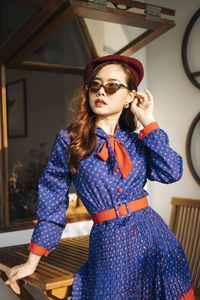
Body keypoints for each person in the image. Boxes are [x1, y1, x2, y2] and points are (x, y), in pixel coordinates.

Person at [5, 55, 195, 299]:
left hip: (155, 239)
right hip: (110, 245)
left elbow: (172, 171)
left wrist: (149, 121)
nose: (101, 92)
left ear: (130, 97)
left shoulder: (138, 141)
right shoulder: (70, 140)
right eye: (95, 85)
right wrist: (32, 261)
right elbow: (52, 199)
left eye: (112, 86)